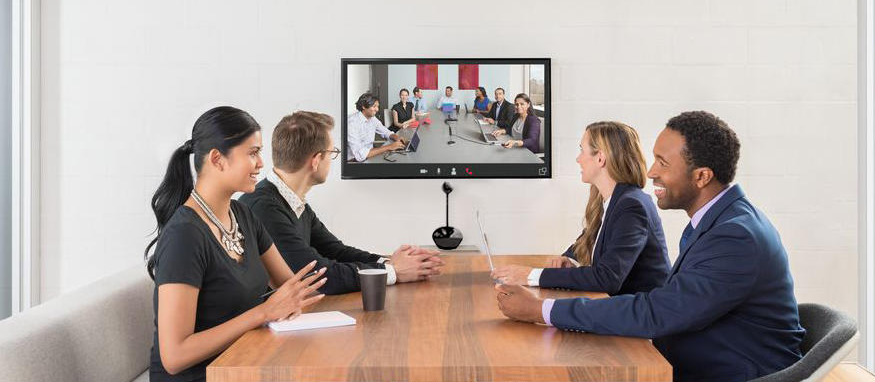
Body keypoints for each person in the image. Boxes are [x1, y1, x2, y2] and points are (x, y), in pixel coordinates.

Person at [494, 111, 805, 382]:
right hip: (696, 355)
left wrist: (541, 309)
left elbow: (658, 312)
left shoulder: (735, 237)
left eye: (662, 163)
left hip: (732, 373)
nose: (651, 171)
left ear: (701, 176)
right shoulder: (720, 220)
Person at [145, 106, 328, 381]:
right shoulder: (184, 236)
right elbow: (174, 357)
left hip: (245, 362)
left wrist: (292, 302)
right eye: (253, 153)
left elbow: (289, 285)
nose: (261, 163)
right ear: (217, 159)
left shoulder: (242, 215)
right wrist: (263, 312)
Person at [240, 111, 444, 295]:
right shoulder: (264, 208)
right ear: (316, 160)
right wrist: (393, 272)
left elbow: (336, 251)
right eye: (333, 153)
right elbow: (319, 276)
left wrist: (387, 262)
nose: (333, 159)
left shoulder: (291, 200)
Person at [491, 121, 669, 295]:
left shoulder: (631, 206)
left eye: (582, 150)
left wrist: (530, 275)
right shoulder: (612, 200)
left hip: (642, 318)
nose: (578, 159)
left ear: (600, 158)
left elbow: (608, 278)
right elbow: (587, 240)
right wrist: (568, 259)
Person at [346, 92, 405, 162]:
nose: (377, 109)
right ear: (363, 106)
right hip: (354, 160)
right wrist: (389, 147)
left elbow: (386, 132)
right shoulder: (352, 123)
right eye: (374, 106)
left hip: (370, 154)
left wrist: (396, 137)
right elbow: (360, 155)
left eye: (377, 106)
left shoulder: (372, 118)